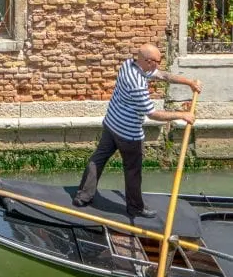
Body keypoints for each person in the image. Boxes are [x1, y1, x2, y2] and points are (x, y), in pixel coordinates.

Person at [73, 44, 202, 220]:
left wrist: (189, 83)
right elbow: (152, 114)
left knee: (98, 158)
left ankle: (83, 197)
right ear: (148, 62)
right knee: (133, 171)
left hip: (111, 123)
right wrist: (182, 115)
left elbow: (162, 75)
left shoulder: (129, 65)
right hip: (128, 134)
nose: (158, 65)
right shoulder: (137, 84)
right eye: (157, 61)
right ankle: (135, 208)